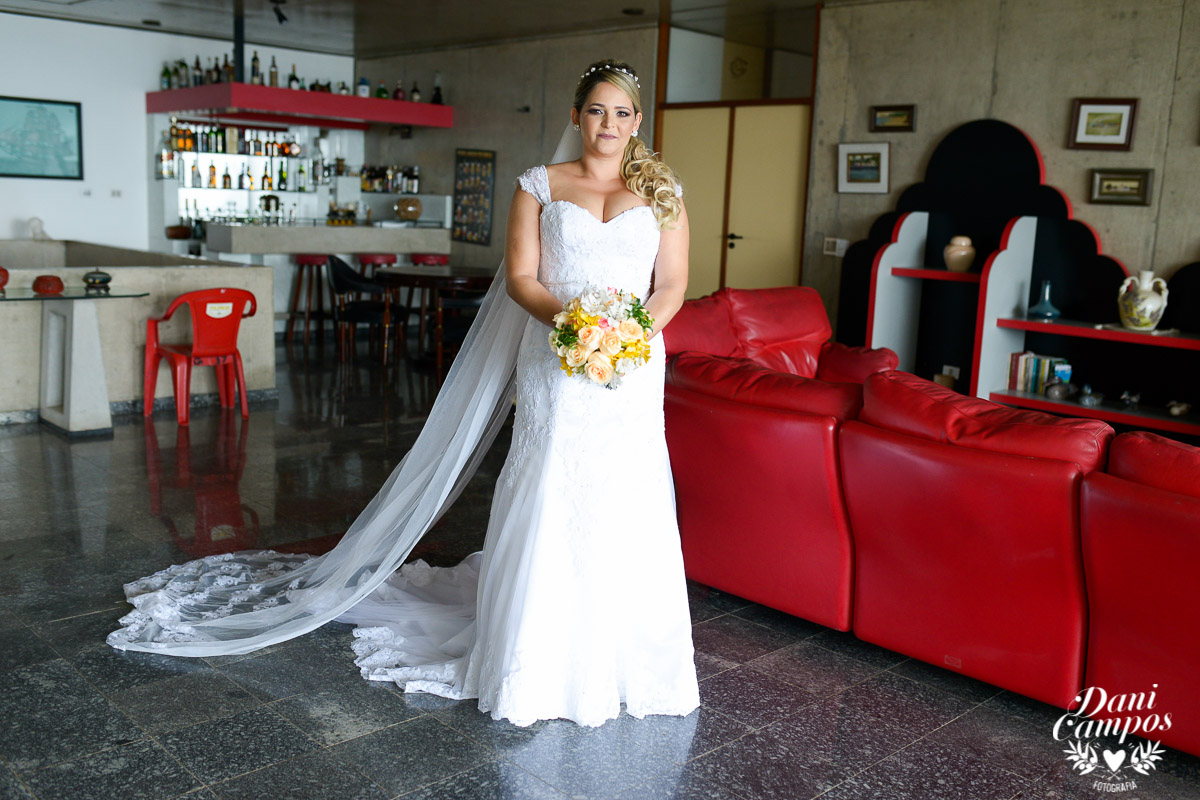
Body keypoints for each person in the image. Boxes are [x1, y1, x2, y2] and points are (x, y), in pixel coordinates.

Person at [108, 59, 698, 728]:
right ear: (575, 115)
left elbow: (672, 284)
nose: (608, 124)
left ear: (638, 121)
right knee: (552, 485)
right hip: (555, 354)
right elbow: (523, 279)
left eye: (622, 113)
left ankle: (629, 654)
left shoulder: (662, 190)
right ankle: (536, 653)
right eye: (596, 110)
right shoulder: (540, 185)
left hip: (632, 363)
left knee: (629, 490)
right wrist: (573, 325)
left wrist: (630, 334)